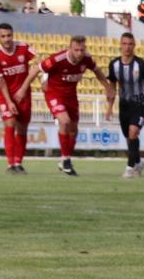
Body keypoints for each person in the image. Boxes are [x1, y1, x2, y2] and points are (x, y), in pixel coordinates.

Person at [28, 35, 102, 176]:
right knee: (64, 121)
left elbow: (97, 71)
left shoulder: (86, 59)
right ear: (70, 48)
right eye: (76, 50)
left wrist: (107, 87)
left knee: (74, 130)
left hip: (71, 97)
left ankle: (65, 159)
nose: (79, 53)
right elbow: (38, 68)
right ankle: (66, 160)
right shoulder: (59, 58)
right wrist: (24, 89)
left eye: (82, 50)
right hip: (54, 93)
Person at [0, 22, 37, 174]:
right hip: (5, 95)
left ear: (12, 35)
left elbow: (37, 65)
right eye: (3, 36)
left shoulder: (24, 48)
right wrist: (9, 101)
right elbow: (0, 82)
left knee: (22, 129)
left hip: (24, 95)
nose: (7, 39)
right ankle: (10, 164)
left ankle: (18, 162)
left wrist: (23, 90)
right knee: (10, 123)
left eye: (9, 35)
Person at [106, 31, 144, 178]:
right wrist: (110, 107)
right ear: (120, 46)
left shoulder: (141, 65)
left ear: (134, 46)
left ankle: (129, 168)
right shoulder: (114, 65)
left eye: (130, 44)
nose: (127, 47)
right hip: (124, 106)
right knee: (130, 138)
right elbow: (112, 87)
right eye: (124, 44)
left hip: (140, 104)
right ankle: (138, 162)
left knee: (133, 132)